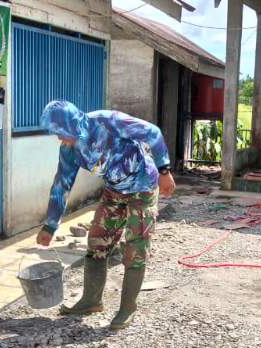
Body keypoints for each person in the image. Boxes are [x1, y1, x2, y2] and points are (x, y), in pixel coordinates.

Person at [36, 100, 176, 331]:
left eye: (61, 133)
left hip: (143, 186)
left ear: (73, 125)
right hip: (114, 190)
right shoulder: (70, 150)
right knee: (97, 242)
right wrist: (50, 226)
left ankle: (127, 308)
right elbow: (61, 185)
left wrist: (164, 171)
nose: (60, 139)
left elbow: (152, 132)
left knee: (136, 247)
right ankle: (91, 301)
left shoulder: (107, 121)